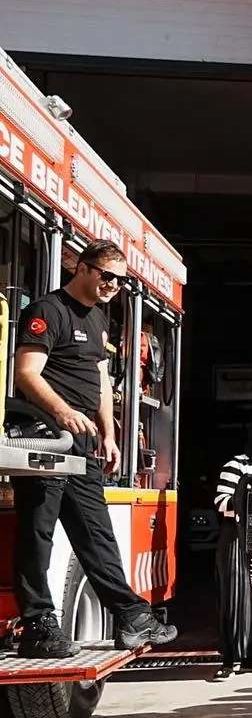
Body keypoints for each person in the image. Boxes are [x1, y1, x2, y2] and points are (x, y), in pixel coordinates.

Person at [10, 239, 177, 659]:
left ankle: (131, 617)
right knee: (38, 534)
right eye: (106, 276)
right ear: (82, 268)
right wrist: (61, 412)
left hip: (82, 444)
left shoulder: (100, 319)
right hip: (43, 437)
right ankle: (36, 623)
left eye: (120, 281)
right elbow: (26, 373)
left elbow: (101, 380)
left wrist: (109, 433)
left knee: (97, 535)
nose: (112, 286)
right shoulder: (48, 311)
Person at [212, 414, 252, 679]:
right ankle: (231, 659)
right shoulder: (235, 465)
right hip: (236, 538)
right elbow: (221, 503)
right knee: (236, 598)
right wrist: (249, 503)